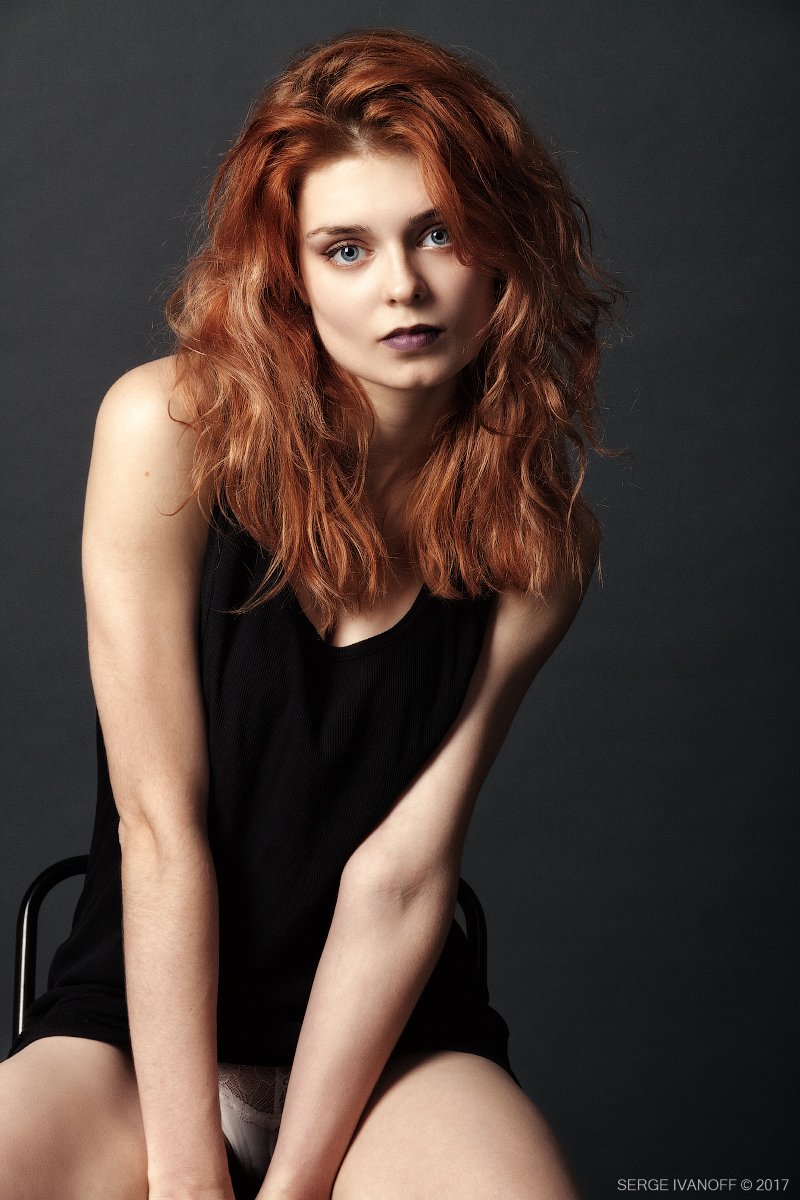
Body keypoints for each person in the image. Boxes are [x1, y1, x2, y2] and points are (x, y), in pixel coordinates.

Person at [0, 27, 623, 1200]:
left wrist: (291, 1185)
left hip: (388, 1048)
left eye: (438, 231)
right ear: (290, 276)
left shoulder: (535, 546)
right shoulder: (166, 432)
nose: (402, 287)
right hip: (136, 1033)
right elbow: (158, 826)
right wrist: (192, 1177)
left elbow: (402, 876)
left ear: (501, 246)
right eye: (346, 248)